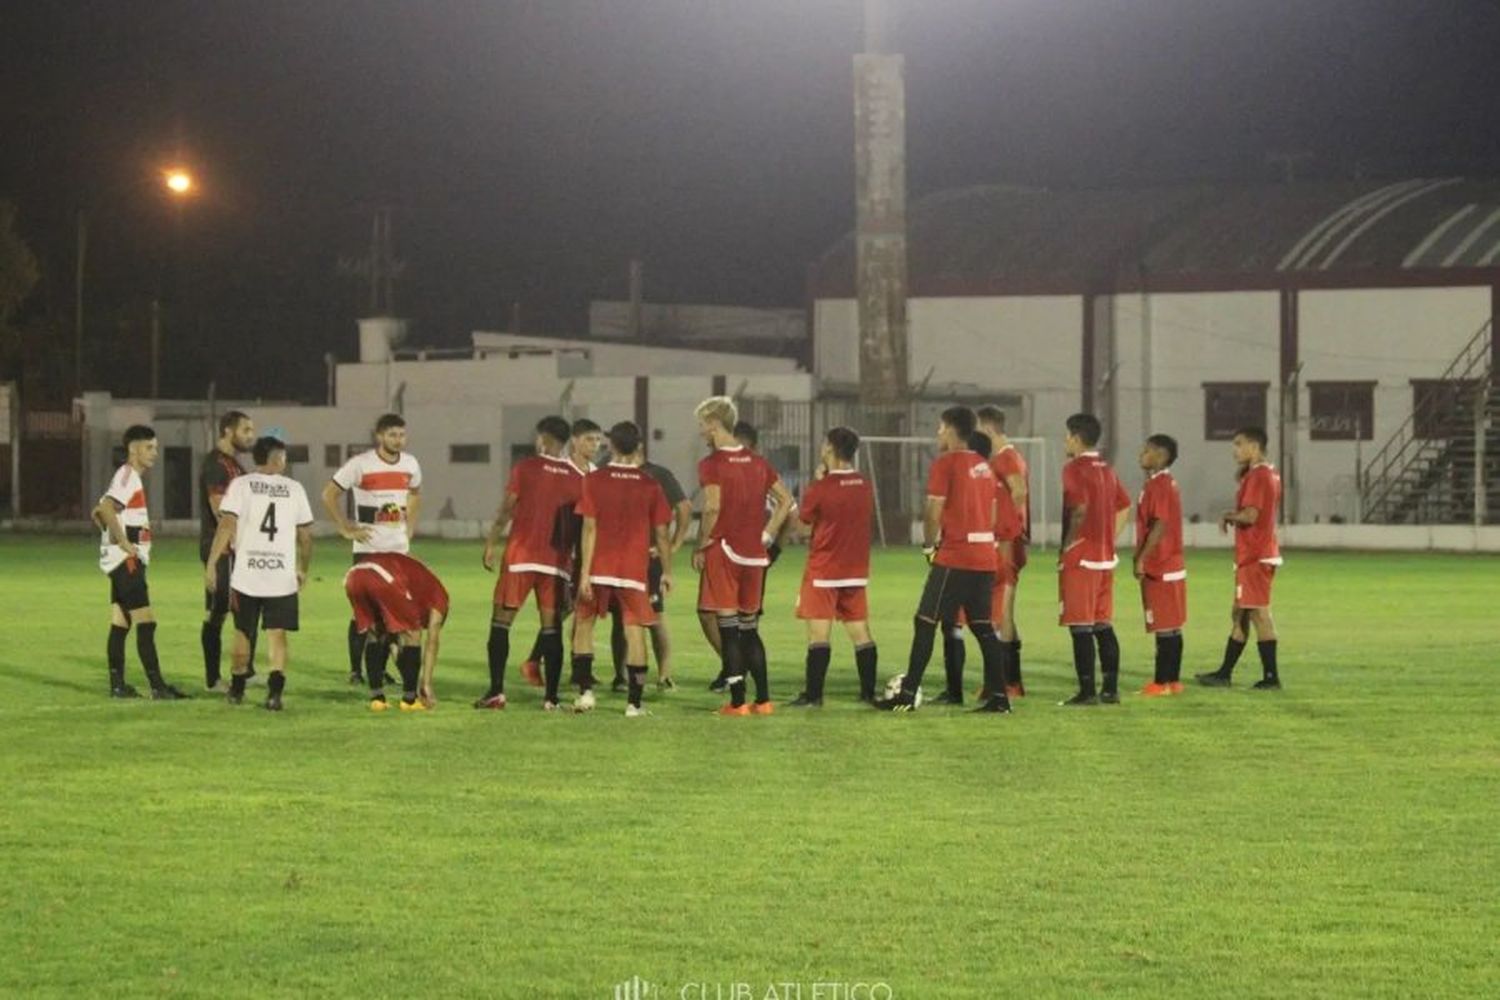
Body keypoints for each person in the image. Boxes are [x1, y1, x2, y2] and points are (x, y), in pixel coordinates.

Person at [875, 406, 1011, 714]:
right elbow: (990, 514)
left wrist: (928, 546)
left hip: (956, 556)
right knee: (983, 627)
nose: (937, 433)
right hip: (984, 558)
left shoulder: (946, 463)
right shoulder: (984, 466)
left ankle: (907, 695)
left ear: (951, 430)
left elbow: (933, 510)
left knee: (925, 621)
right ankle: (1000, 698)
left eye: (939, 428)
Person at [693, 397, 794, 715]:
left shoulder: (712, 464)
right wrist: (767, 534)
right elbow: (786, 499)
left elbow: (712, 507)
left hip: (725, 551)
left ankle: (737, 702)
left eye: (702, 426)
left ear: (713, 423)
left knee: (728, 627)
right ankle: (763, 700)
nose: (701, 433)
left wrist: (700, 544)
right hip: (754, 555)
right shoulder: (758, 462)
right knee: (750, 628)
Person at [478, 416, 584, 710]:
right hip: (557, 563)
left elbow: (506, 509)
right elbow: (582, 527)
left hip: (520, 558)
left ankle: (496, 692)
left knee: (501, 624)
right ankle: (551, 698)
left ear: (543, 439)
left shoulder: (525, 468)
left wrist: (491, 543)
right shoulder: (578, 478)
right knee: (551, 629)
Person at [203, 436, 314, 711]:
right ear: (277, 458)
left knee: (242, 631)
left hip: (247, 575)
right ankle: (274, 695)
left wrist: (212, 563)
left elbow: (226, 524)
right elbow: (306, 535)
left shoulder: (241, 485)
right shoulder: (294, 488)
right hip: (280, 575)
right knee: (277, 634)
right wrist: (303, 568)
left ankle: (237, 690)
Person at [571, 421, 674, 716]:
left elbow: (589, 529)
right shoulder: (650, 484)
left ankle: (586, 694)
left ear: (611, 445)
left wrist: (585, 574)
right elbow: (663, 533)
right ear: (638, 446)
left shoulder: (594, 481)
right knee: (635, 632)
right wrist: (666, 571)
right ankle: (634, 704)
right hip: (633, 571)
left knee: (584, 626)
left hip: (599, 567)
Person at [321, 413, 422, 690]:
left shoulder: (411, 464)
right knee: (365, 614)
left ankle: (379, 670)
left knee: (393, 615)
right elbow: (328, 494)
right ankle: (357, 670)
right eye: (392, 435)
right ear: (379, 436)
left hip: (398, 551)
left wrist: (409, 527)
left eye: (401, 435)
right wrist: (344, 528)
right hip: (368, 550)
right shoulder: (361, 464)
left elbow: (415, 493)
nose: (397, 440)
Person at [92, 425, 188, 700]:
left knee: (121, 623)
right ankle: (158, 686)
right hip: (127, 562)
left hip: (122, 562)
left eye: (155, 447)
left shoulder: (127, 477)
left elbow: (100, 510)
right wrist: (123, 542)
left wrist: (104, 523)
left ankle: (118, 686)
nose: (155, 453)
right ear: (134, 449)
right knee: (147, 622)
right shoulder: (128, 476)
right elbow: (107, 507)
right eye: (149, 447)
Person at [788, 427, 879, 707]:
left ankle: (814, 696)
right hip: (855, 570)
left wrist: (789, 506)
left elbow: (802, 529)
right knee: (860, 632)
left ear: (829, 448)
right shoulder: (864, 485)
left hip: (824, 569)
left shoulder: (820, 488)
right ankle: (867, 693)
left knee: (818, 635)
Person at [517, 416, 604, 687]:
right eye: (590, 439)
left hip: (587, 550)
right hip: (562, 551)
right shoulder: (560, 469)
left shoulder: (595, 473)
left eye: (599, 440)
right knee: (562, 610)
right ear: (574, 441)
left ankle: (579, 669)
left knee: (579, 609)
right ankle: (534, 661)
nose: (595, 445)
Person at [1198, 426, 1284, 690]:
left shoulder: (1259, 476)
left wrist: (1228, 515)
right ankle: (1224, 673)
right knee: (1240, 613)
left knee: (1258, 614)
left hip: (1255, 556)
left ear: (1254, 447)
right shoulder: (1268, 474)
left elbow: (1251, 515)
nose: (1234, 450)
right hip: (1254, 555)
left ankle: (1270, 678)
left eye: (1239, 444)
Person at [1057, 413, 1132, 706]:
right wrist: (1108, 538)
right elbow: (1124, 506)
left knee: (1080, 625)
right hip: (1104, 558)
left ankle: (1087, 692)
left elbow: (1078, 509)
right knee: (1102, 624)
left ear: (1076, 438)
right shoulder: (1107, 469)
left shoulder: (1074, 469)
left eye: (1067, 436)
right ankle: (1110, 690)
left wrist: (1068, 545)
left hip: (1083, 558)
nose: (1065, 441)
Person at [608, 445, 692, 692]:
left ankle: (661, 675)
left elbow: (684, 507)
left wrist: (674, 544)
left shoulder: (656, 475)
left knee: (652, 618)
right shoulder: (617, 473)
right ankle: (623, 677)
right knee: (623, 618)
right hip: (623, 558)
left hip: (643, 558)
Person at [344, 552, 450, 711]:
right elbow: (432, 643)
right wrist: (426, 683)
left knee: (376, 632)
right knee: (413, 634)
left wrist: (407, 672)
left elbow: (393, 644)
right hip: (383, 577)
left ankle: (377, 699)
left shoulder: (418, 589)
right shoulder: (441, 599)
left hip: (354, 576)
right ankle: (410, 700)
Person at [199, 410, 258, 692]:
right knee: (218, 611)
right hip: (220, 548)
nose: (251, 436)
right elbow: (221, 511)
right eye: (245, 430)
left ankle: (244, 670)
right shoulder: (215, 465)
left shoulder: (236, 466)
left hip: (239, 550)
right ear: (227, 431)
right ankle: (213, 679)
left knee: (244, 608)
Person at [979, 405, 1029, 699]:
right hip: (1009, 541)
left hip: (1007, 543)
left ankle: (1006, 683)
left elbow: (1018, 490)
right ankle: (1012, 681)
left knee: (1001, 613)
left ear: (987, 430)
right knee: (1003, 613)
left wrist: (1008, 526)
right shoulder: (1008, 457)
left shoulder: (1005, 458)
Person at [1133, 434, 1187, 696]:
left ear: (1162, 456)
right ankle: (1174, 681)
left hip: (1161, 564)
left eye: (1147, 450)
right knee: (1173, 624)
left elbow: (1160, 523)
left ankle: (1161, 682)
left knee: (1163, 624)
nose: (1141, 454)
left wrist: (1142, 557)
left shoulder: (1160, 485)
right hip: (1172, 562)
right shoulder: (1163, 483)